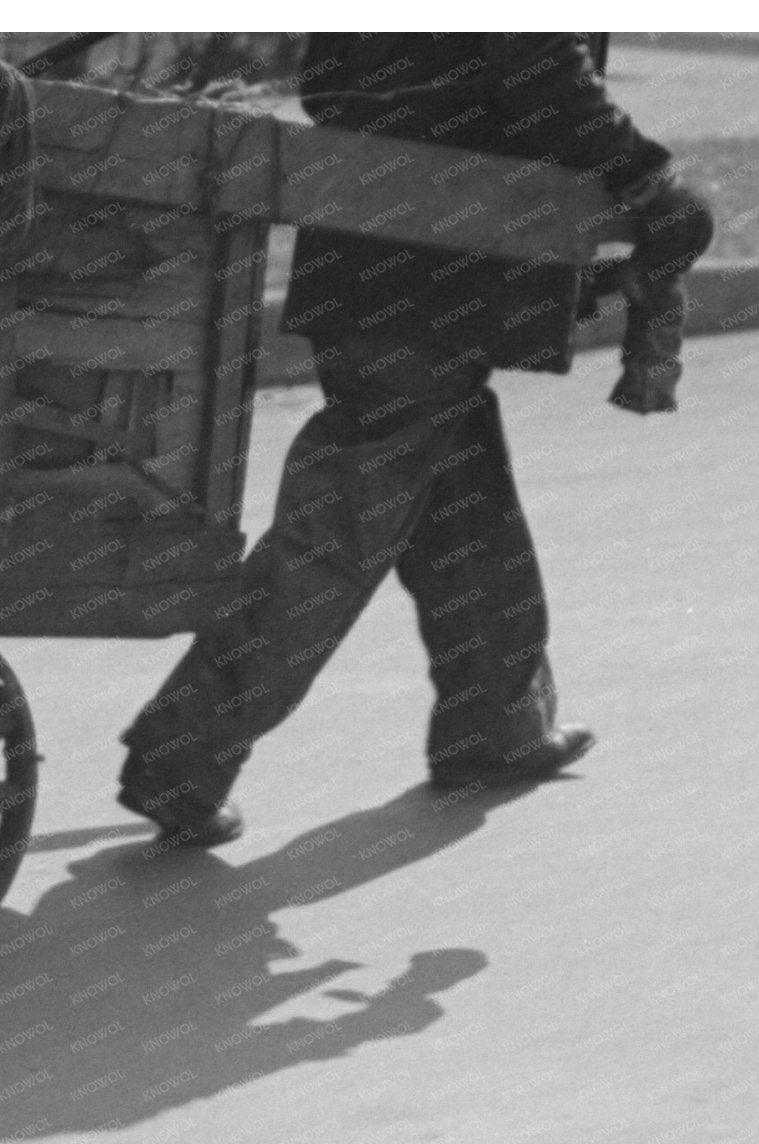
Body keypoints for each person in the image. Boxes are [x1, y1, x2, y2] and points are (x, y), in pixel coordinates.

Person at [116, 33, 711, 847]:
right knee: (340, 531)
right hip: (431, 277)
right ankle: (184, 754)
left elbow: (333, 85)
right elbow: (545, 80)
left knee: (462, 490)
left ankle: (496, 722)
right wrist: (649, 181)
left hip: (371, 260)